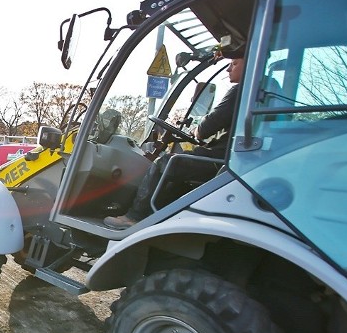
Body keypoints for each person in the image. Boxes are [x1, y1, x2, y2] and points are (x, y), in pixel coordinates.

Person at [104, 47, 245, 230]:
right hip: (228, 160)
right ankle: (161, 216)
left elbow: (205, 129)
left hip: (220, 160)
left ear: (249, 65)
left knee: (164, 162)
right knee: (180, 167)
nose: (228, 69)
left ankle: (135, 216)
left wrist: (196, 130)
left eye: (234, 64)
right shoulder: (255, 94)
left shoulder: (239, 91)